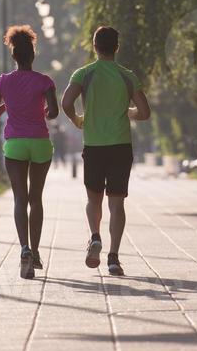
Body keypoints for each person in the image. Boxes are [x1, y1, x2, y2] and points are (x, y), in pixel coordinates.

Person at [61, 26, 151, 277]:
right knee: (117, 203)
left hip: (94, 145)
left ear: (94, 45)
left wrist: (77, 120)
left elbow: (66, 103)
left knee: (94, 199)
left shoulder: (84, 74)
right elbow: (145, 112)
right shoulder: (127, 76)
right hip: (121, 145)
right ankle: (113, 258)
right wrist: (129, 112)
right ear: (117, 47)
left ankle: (95, 236)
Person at [0, 25, 59, 279]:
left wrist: (10, 102)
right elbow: (53, 112)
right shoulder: (45, 81)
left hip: (15, 143)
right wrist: (43, 109)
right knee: (36, 199)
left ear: (14, 55)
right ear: (33, 55)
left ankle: (24, 249)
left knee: (20, 199)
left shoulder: (3, 82)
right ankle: (37, 252)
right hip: (39, 142)